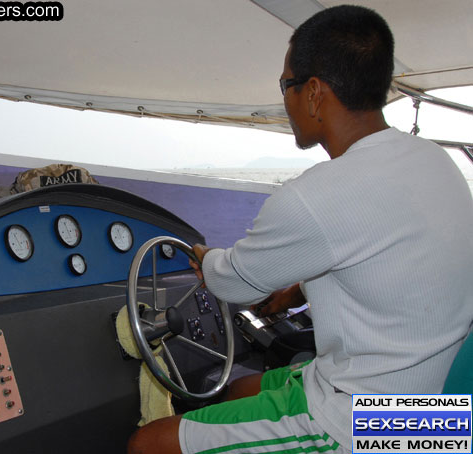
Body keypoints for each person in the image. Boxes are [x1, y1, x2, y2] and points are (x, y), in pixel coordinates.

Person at [128, 5, 473, 454]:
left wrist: (204, 254)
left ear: (313, 93)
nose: (284, 100)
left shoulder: (314, 197)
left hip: (378, 424)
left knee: (147, 444)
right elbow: (389, 258)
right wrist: (297, 292)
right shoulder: (436, 162)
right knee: (236, 389)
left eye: (284, 85)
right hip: (442, 412)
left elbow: (231, 282)